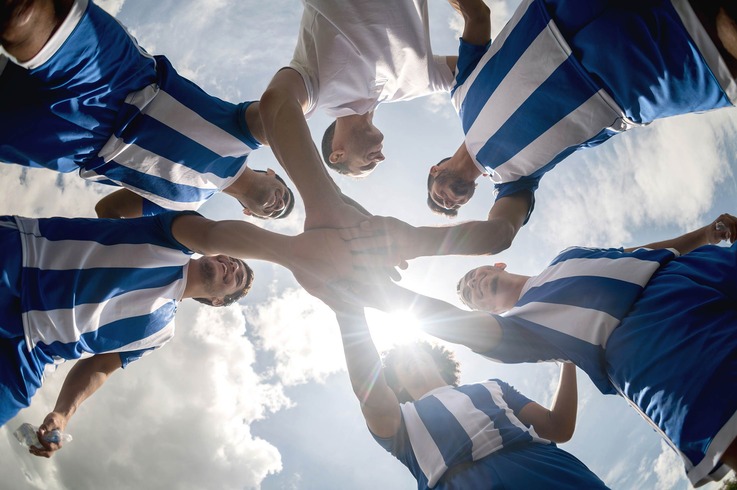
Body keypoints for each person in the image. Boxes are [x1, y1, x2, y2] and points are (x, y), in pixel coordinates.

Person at [343, 213, 737, 486]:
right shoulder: (516, 332)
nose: (473, 287)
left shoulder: (566, 258)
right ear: (484, 312)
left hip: (695, 274)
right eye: (468, 295)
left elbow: (637, 256)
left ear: (495, 266)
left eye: (473, 278)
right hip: (659, 344)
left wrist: (705, 234)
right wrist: (367, 290)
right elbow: (455, 324)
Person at [351, 0, 737, 258]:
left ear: (434, 170)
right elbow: (499, 234)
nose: (448, 202)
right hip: (650, 72)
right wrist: (415, 242)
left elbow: (477, 16)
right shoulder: (514, 182)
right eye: (451, 207)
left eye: (437, 197)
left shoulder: (461, 92)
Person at [0, 209, 394, 456]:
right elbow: (202, 231)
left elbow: (98, 367)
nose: (230, 265)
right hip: (19, 263)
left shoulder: (159, 333)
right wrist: (299, 254)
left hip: (28, 358)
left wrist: (64, 414)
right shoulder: (171, 237)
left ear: (219, 301)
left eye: (235, 276)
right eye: (231, 258)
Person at [0, 0, 294, 220]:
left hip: (76, 146)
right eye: (286, 195)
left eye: (277, 213)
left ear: (249, 214)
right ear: (271, 172)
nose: (280, 204)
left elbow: (109, 210)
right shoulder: (249, 136)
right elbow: (280, 109)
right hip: (121, 77)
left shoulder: (184, 208)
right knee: (21, 17)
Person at [329, 305, 609, 488]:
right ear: (396, 382)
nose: (411, 360)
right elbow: (372, 394)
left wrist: (567, 360)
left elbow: (557, 427)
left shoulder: (493, 386)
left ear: (437, 360)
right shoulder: (400, 417)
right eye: (401, 362)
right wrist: (349, 310)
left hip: (549, 471)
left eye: (416, 352)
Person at [257, 0, 460, 233]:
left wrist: (323, 200)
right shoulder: (409, 86)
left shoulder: (316, 91)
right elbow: (474, 70)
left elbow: (277, 101)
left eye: (367, 166)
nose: (381, 158)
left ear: (337, 155)